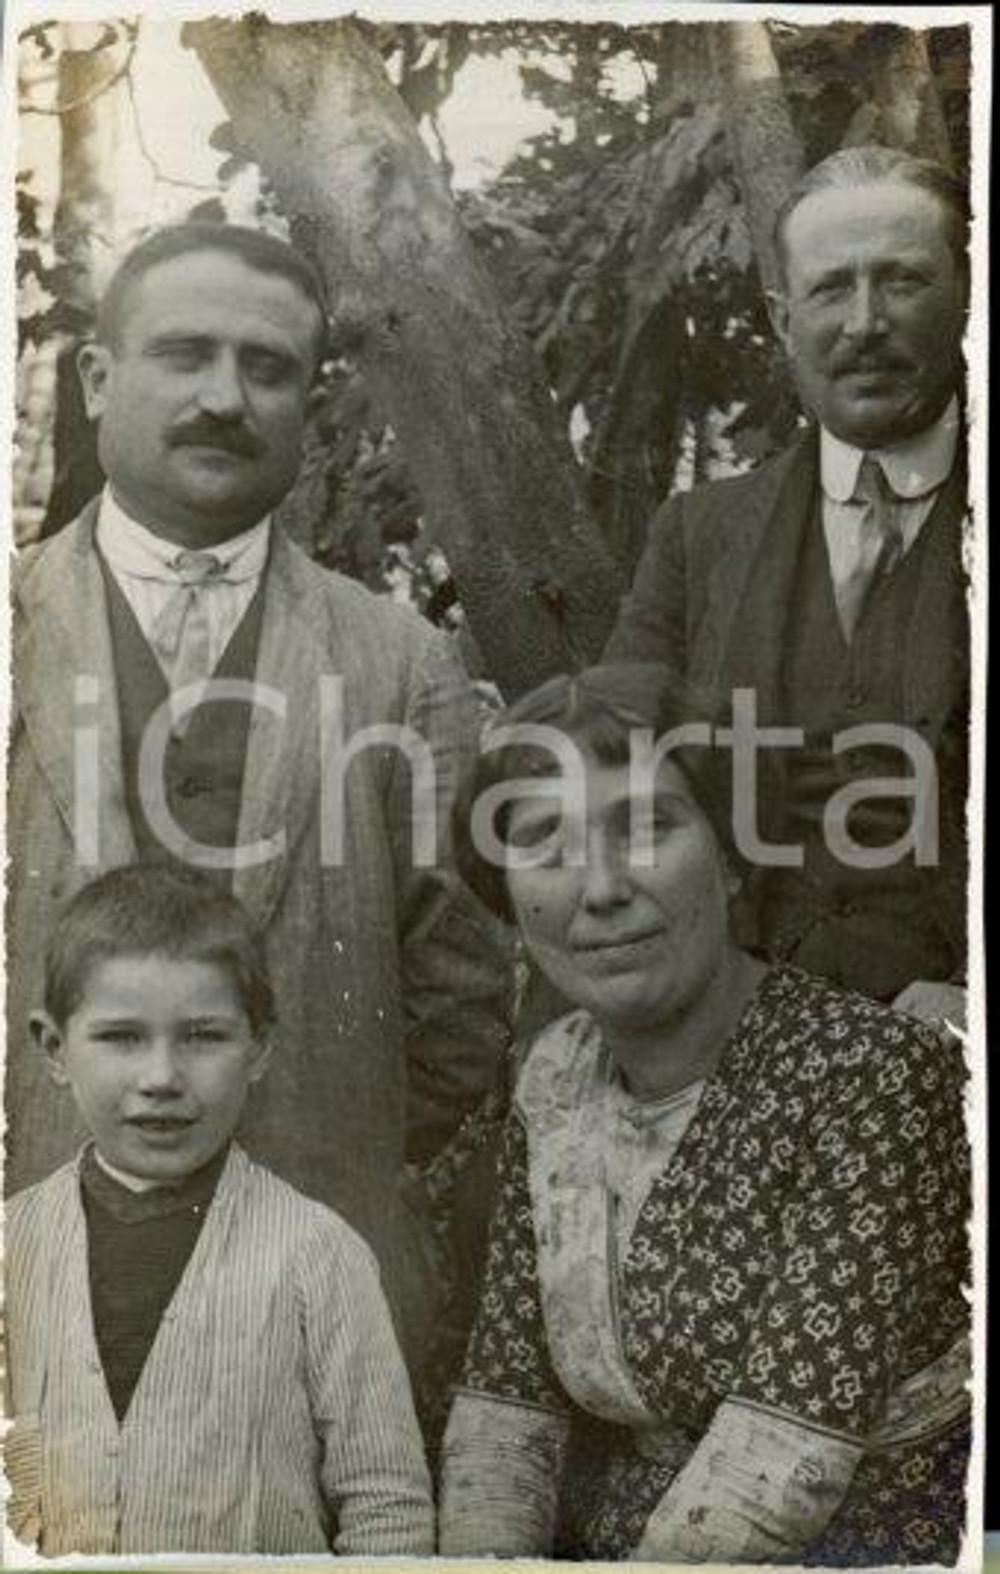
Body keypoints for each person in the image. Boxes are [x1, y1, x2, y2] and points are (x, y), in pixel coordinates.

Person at [7, 221, 511, 1371]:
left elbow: (460, 996)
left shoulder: (398, 661)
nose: (224, 397)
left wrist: (323, 1151)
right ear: (98, 379)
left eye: (268, 366)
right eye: (185, 354)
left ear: (305, 400)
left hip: (310, 1298)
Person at [439, 663, 970, 1565]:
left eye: (647, 828)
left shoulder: (872, 1076)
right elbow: (507, 1408)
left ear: (728, 859)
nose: (600, 889)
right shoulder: (553, 1075)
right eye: (548, 848)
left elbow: (778, 1465)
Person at [605, 147, 970, 1031]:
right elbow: (611, 800)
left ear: (970, 293)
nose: (866, 322)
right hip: (742, 1060)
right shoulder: (701, 536)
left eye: (904, 281)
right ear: (782, 317)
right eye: (831, 289)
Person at [4, 865, 434, 1557]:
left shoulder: (318, 1253)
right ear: (54, 1048)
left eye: (203, 1036)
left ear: (259, 1046)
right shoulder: (12, 1246)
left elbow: (386, 1508)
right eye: (121, 1037)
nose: (162, 1079)